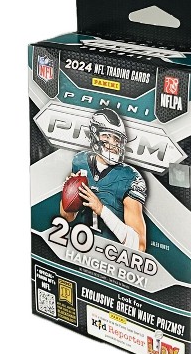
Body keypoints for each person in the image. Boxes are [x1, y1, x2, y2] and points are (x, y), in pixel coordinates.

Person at [60, 108, 147, 252]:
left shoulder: (130, 177)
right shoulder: (80, 161)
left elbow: (139, 246)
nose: (113, 143)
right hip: (82, 249)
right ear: (94, 135)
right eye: (106, 136)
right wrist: (68, 193)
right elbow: (67, 217)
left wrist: (101, 209)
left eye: (116, 139)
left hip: (114, 257)